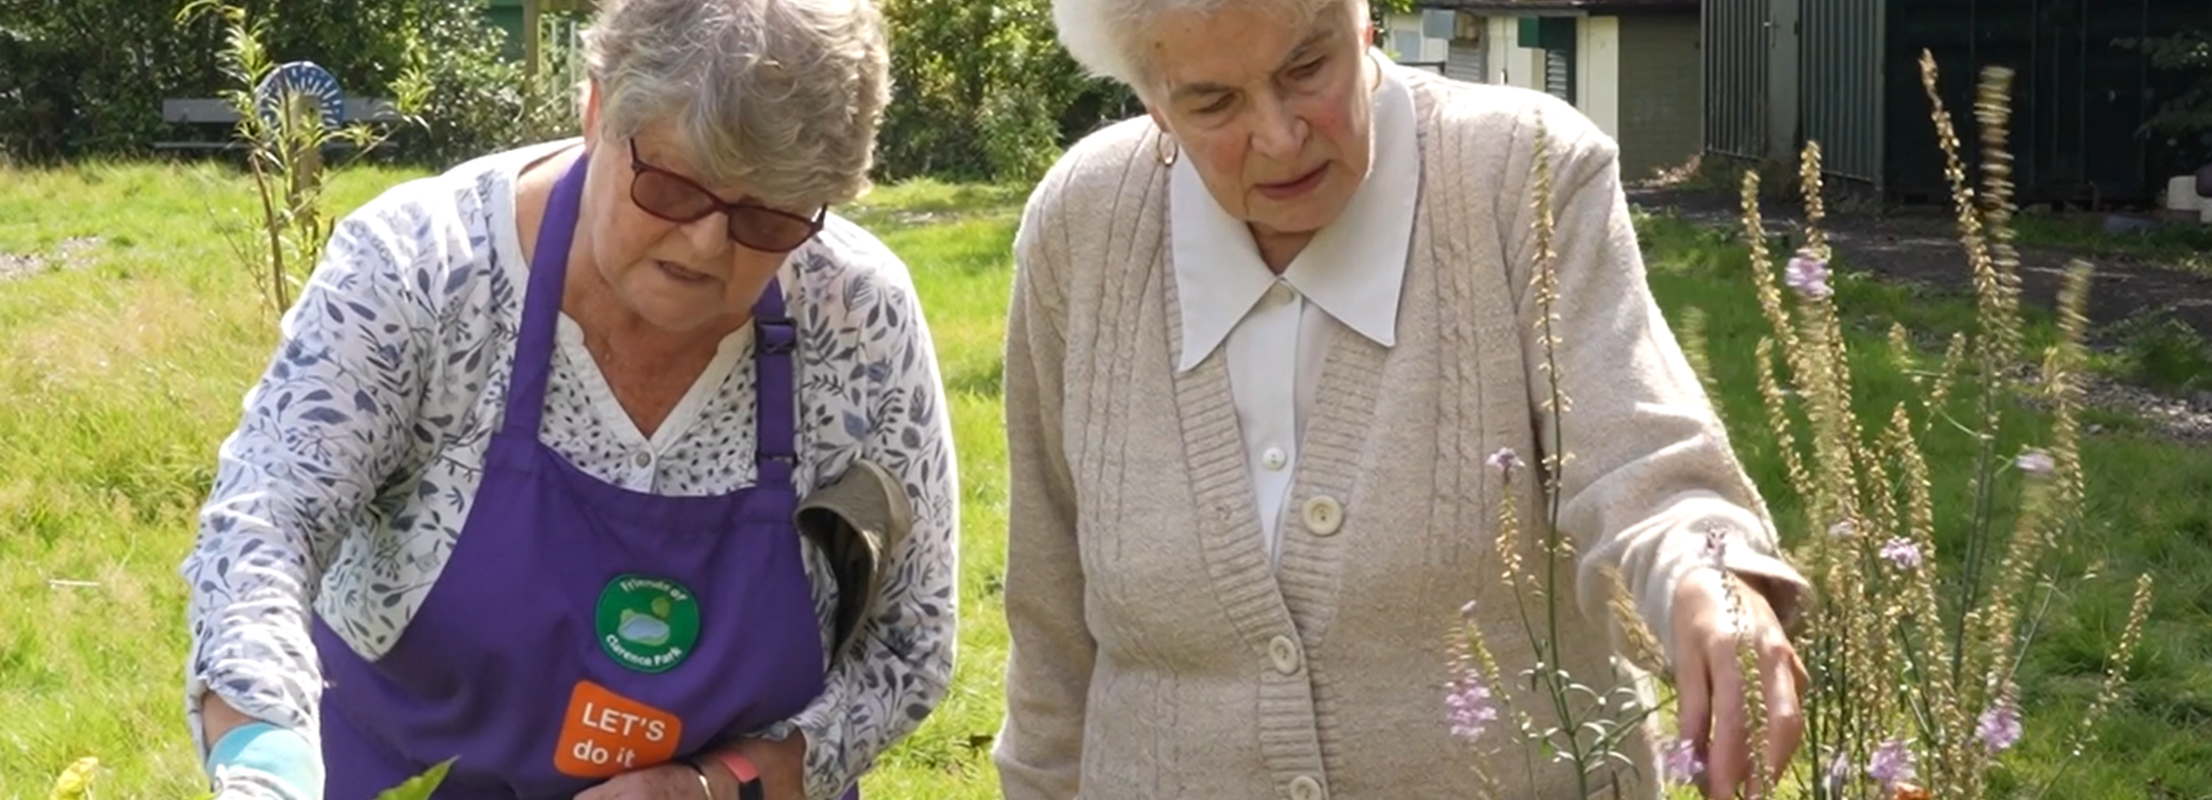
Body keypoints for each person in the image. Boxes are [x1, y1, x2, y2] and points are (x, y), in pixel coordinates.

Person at [993, 1, 1811, 798]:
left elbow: (1642, 459)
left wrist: (1707, 581)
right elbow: (1050, 619)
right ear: (1154, 106)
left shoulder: (1524, 171)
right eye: (1213, 101)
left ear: (1363, 25)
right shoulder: (1081, 225)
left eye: (1306, 67)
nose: (1279, 135)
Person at [177, 1, 959, 798]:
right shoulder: (421, 269)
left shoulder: (854, 315)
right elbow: (265, 530)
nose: (706, 244)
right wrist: (266, 764)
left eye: (766, 216)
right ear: (597, 109)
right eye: (676, 188)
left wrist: (711, 787)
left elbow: (909, 646)